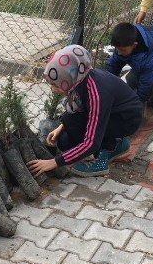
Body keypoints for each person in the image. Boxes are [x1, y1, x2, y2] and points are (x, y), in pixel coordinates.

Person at [28, 45, 143, 178]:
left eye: (55, 84)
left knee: (90, 138)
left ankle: (103, 157)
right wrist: (61, 127)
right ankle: (120, 144)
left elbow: (91, 142)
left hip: (126, 119)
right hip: (113, 111)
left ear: (69, 77)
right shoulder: (79, 78)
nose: (53, 89)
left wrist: (54, 162)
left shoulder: (96, 93)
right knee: (65, 141)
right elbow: (76, 111)